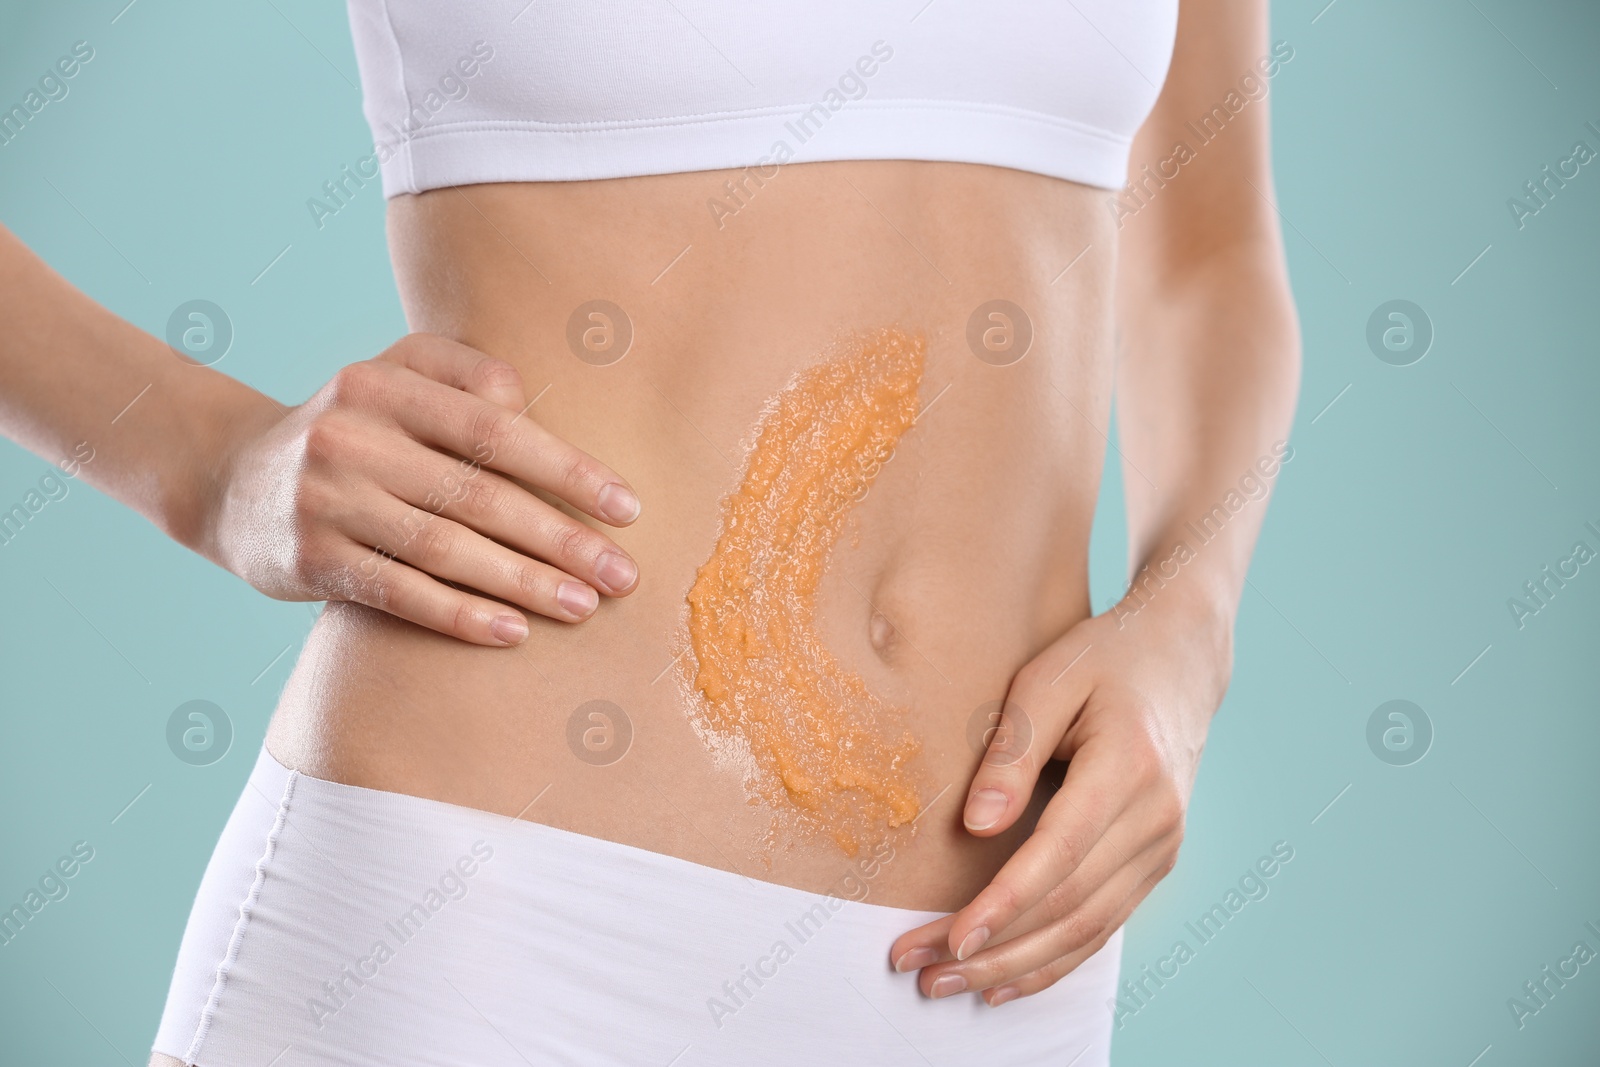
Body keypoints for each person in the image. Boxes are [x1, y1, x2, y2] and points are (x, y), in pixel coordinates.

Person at [0, 1, 1299, 1063]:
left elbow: (1209, 248)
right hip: (481, 925)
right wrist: (207, 458)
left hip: (996, 975)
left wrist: (1191, 617)